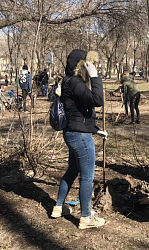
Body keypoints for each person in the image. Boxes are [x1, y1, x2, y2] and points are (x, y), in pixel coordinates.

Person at [51, 49, 106, 229]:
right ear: (80, 65)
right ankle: (86, 218)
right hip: (80, 137)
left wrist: (96, 130)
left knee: (72, 171)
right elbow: (97, 99)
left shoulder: (69, 82)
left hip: (73, 133)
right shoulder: (75, 82)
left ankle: (58, 208)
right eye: (87, 64)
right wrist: (95, 77)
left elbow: (79, 111)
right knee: (87, 177)